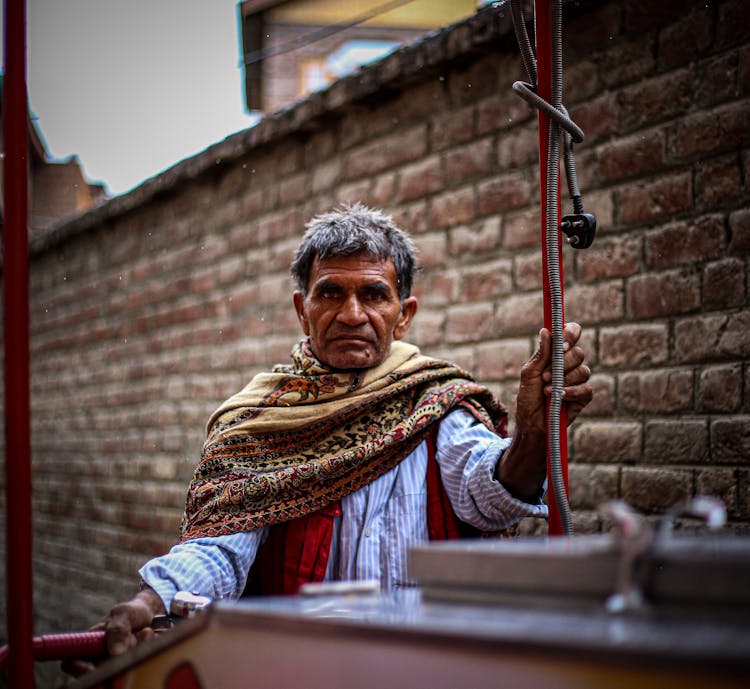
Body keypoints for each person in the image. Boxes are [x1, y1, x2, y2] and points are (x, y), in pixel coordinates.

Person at [95, 203, 592, 660]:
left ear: (404, 315)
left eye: (374, 294)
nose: (352, 314)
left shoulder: (437, 403)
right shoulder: (260, 423)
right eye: (331, 292)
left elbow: (492, 496)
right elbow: (221, 549)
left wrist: (534, 430)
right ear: (301, 308)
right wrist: (149, 599)